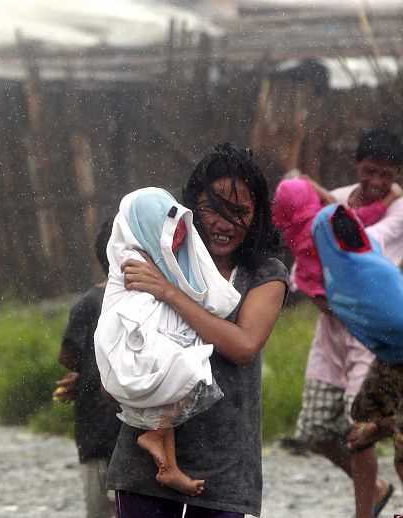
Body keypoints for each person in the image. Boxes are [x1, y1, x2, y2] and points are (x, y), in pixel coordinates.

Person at [104, 143, 289, 517]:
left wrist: (168, 292)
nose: (223, 224)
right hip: (145, 473)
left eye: (240, 212)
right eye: (212, 209)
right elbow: (121, 337)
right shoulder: (159, 257)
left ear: (257, 217)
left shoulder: (264, 275)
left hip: (224, 472)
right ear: (191, 207)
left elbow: (243, 346)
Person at [278, 129, 403, 518]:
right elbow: (305, 247)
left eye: (386, 176)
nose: (376, 183)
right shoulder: (337, 198)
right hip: (331, 328)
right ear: (356, 162)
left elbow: (360, 240)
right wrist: (319, 198)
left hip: (370, 330)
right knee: (316, 428)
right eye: (370, 171)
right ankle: (373, 488)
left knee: (360, 427)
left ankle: (363, 511)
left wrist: (319, 199)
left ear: (398, 175)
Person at [94, 187, 242, 497]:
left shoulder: (150, 251)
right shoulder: (131, 254)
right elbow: (137, 296)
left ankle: (167, 462)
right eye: (168, 234)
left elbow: (172, 282)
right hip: (135, 333)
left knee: (174, 379)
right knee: (183, 369)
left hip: (154, 335)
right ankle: (157, 437)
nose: (175, 243)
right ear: (146, 228)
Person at [53, 219, 120, 518]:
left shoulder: (89, 303)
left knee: (99, 507)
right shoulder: (153, 299)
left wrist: (87, 373)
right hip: (135, 428)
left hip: (97, 425)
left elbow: (69, 355)